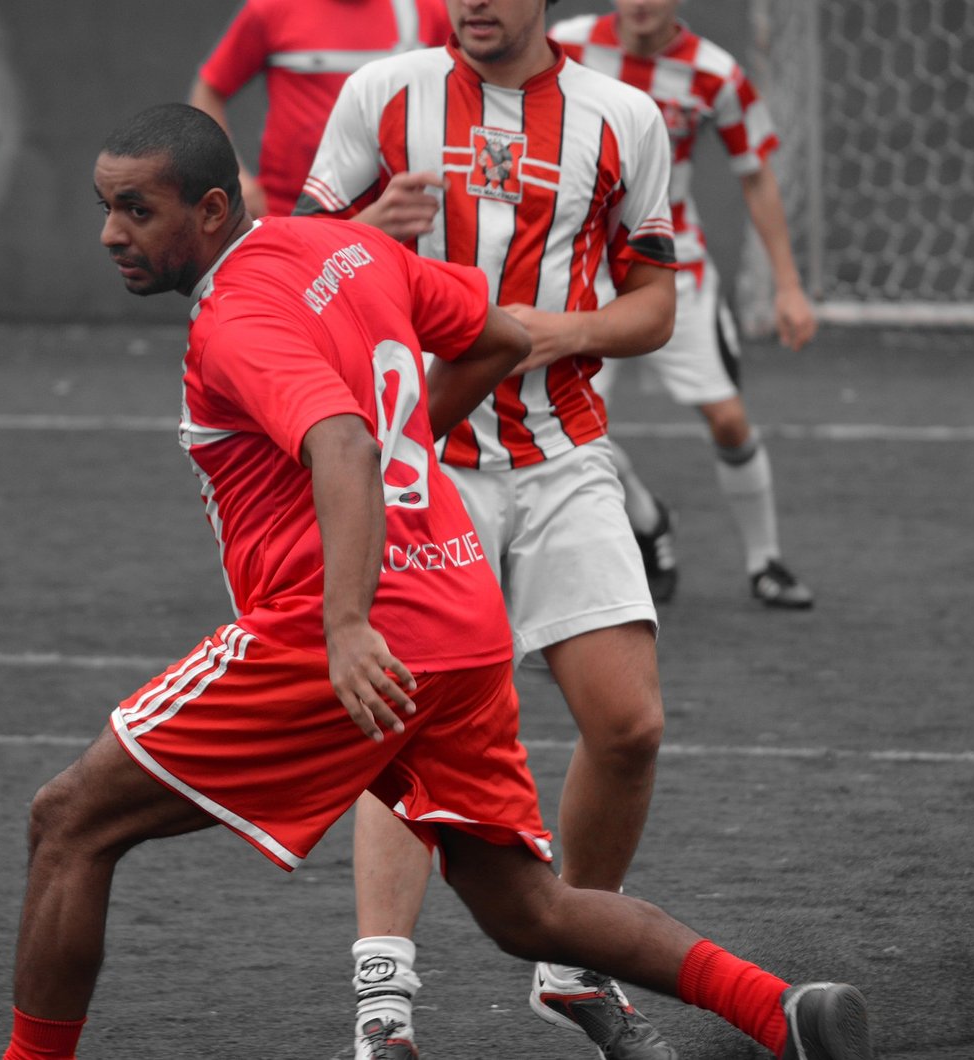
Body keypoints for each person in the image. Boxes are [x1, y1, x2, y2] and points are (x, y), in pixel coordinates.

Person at [0, 101, 875, 1060]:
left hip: (348, 634)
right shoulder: (345, 251)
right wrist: (412, 436)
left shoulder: (236, 320)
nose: (109, 234)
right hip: (461, 615)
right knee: (528, 908)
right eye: (106, 207)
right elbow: (499, 339)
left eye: (135, 210)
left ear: (211, 211)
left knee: (69, 821)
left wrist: (343, 627)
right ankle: (780, 1010)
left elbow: (341, 444)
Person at [296, 1, 696, 1056]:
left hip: (564, 455)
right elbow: (299, 266)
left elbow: (654, 306)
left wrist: (542, 332)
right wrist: (364, 237)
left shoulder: (623, 117)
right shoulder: (384, 94)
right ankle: (383, 1006)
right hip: (424, 463)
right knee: (405, 726)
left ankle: (573, 965)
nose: (472, 2)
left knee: (628, 724)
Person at [549, 0, 816, 609]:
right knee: (568, 431)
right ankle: (645, 518)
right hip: (581, 276)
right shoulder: (564, 45)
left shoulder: (714, 73)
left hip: (677, 270)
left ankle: (764, 561)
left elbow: (755, 172)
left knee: (728, 420)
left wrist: (788, 285)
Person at [188, 0, 450, 218]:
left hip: (396, 217)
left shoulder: (427, 9)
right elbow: (209, 91)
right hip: (287, 214)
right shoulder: (272, 7)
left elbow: (458, 88)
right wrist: (236, 178)